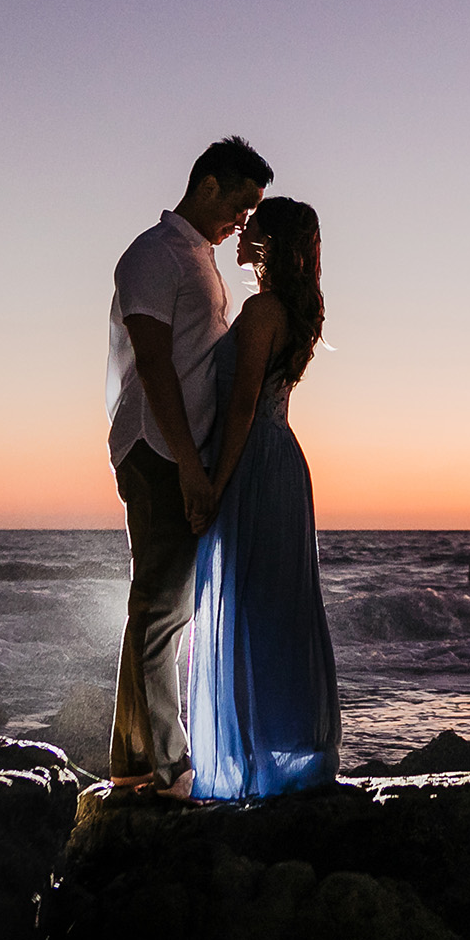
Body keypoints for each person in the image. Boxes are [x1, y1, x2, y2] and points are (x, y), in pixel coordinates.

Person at [105, 135, 271, 797]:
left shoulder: (201, 259)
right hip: (155, 450)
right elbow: (152, 363)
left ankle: (134, 759)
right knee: (163, 608)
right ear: (208, 185)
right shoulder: (153, 254)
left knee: (161, 605)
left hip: (183, 453)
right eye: (241, 204)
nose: (244, 221)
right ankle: (168, 765)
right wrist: (187, 467)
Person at [184, 196, 342, 799]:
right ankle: (279, 757)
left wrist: (212, 488)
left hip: (254, 465)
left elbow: (242, 410)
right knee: (277, 611)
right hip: (281, 465)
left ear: (270, 244)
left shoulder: (262, 310)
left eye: (252, 228)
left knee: (253, 609)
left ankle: (252, 766)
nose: (241, 233)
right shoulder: (289, 312)